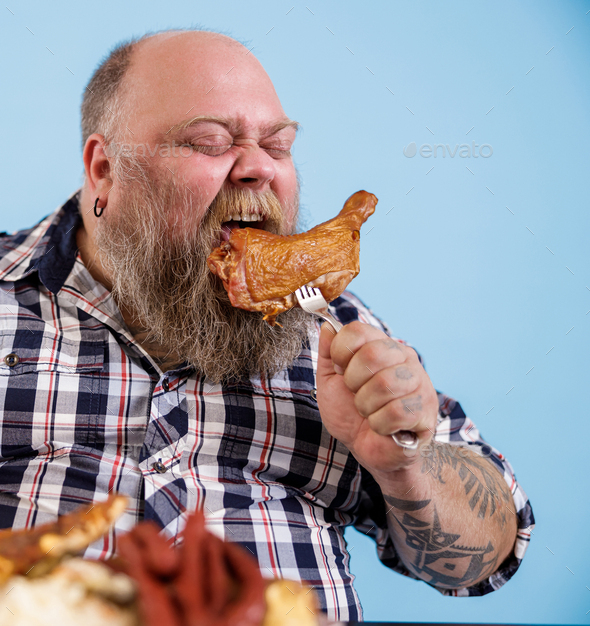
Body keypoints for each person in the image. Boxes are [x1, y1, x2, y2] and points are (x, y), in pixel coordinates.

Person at [0, 29, 533, 621]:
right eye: (209, 143)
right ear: (104, 168)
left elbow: (484, 559)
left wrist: (406, 462)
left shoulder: (341, 331)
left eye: (277, 146)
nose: (257, 168)